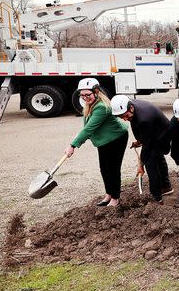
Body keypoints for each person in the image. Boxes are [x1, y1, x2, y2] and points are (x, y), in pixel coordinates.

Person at [64, 78, 129, 207]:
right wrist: (78, 138)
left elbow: (89, 129)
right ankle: (109, 194)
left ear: (96, 91)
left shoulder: (102, 107)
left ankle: (115, 198)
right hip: (104, 141)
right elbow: (87, 126)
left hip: (116, 138)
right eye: (82, 95)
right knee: (104, 168)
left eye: (87, 94)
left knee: (113, 169)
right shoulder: (90, 105)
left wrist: (73, 145)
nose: (84, 98)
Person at [111, 95, 172, 203]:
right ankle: (166, 186)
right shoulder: (130, 105)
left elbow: (147, 146)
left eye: (125, 116)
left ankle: (156, 196)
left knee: (150, 162)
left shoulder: (144, 119)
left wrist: (141, 164)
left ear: (131, 108)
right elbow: (139, 127)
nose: (125, 119)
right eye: (121, 117)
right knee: (157, 158)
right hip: (154, 130)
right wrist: (140, 140)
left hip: (162, 134)